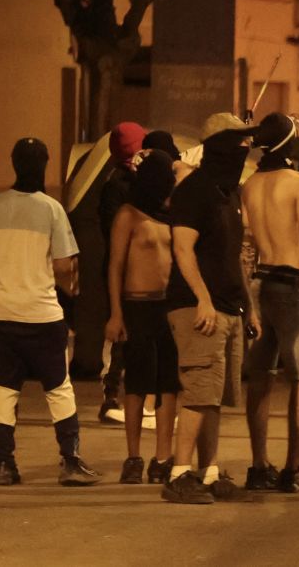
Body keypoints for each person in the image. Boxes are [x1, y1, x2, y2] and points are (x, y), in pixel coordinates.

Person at [0, 138, 99, 487]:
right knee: (58, 388)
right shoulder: (51, 209)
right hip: (42, 315)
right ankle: (70, 460)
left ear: (13, 164)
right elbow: (61, 267)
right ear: (43, 165)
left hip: (2, 312)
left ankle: (4, 464)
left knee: (3, 389)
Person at [162, 113, 261, 504]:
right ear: (217, 144)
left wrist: (247, 307)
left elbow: (234, 257)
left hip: (228, 307)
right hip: (195, 307)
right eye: (237, 141)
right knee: (200, 391)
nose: (245, 148)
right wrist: (203, 298)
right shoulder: (194, 190)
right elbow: (182, 248)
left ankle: (209, 471)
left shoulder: (228, 193)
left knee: (214, 396)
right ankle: (179, 473)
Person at [239, 114, 299, 495]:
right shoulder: (298, 182)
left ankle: (258, 464)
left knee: (261, 376)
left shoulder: (249, 184)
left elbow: (247, 241)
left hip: (260, 283)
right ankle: (294, 466)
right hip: (290, 284)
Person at [104, 150, 180, 485]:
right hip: (136, 306)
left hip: (167, 308)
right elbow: (115, 266)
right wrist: (116, 313)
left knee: (168, 384)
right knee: (136, 383)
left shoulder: (170, 214)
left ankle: (162, 456)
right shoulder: (128, 215)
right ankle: (133, 456)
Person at [95, 122, 148, 425]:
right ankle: (110, 397)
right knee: (118, 334)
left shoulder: (135, 180)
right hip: (122, 272)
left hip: (139, 271)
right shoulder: (117, 186)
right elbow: (114, 232)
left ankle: (133, 398)